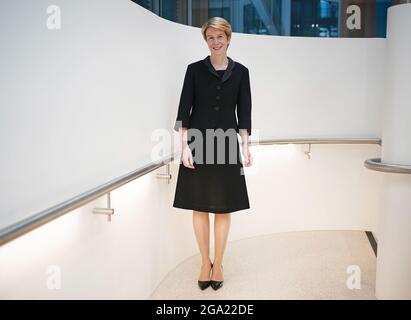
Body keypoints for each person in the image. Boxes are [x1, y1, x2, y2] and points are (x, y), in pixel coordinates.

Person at [173, 17, 253, 291]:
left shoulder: (242, 72)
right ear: (206, 41)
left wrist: (246, 147)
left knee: (223, 206)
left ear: (229, 39)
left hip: (228, 144)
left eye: (220, 37)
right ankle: (203, 262)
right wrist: (184, 148)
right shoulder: (194, 70)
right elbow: (184, 112)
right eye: (211, 38)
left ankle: (218, 263)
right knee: (199, 205)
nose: (216, 42)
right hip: (198, 144)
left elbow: (245, 114)